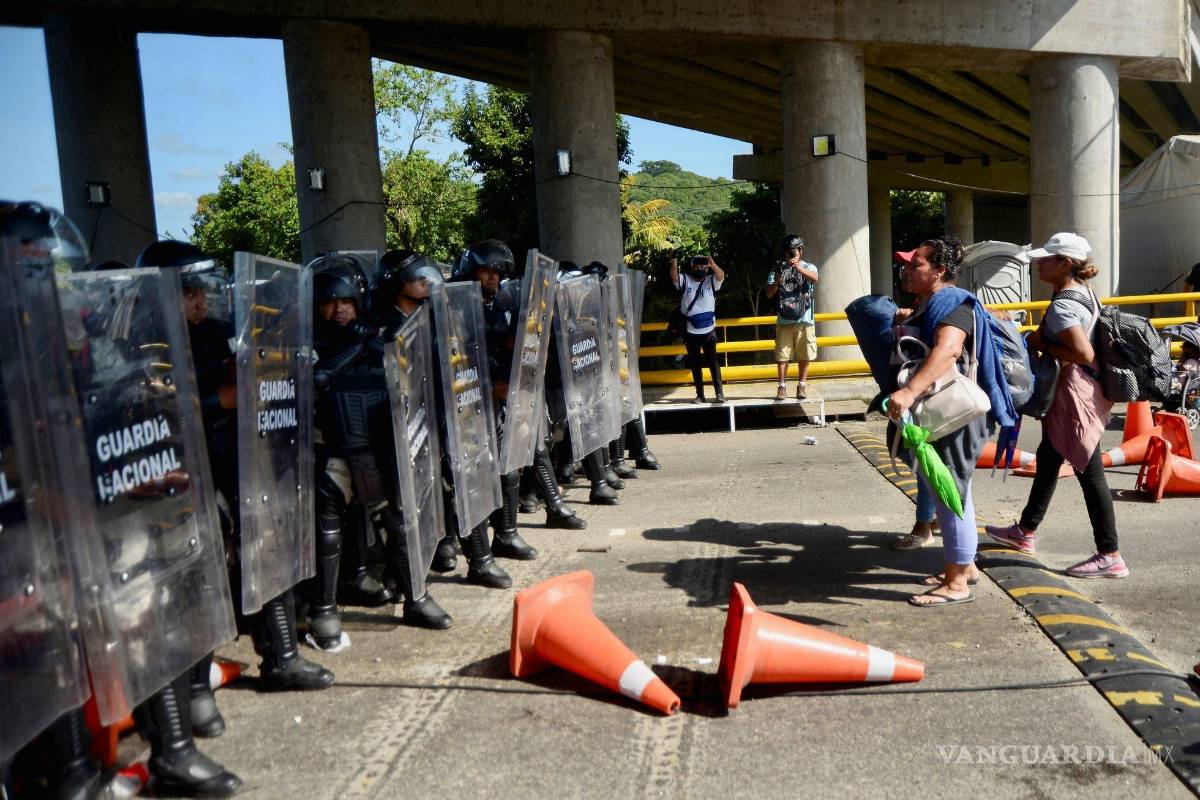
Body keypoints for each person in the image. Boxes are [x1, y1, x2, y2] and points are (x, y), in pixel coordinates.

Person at [137, 241, 336, 690]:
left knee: (264, 541)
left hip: (235, 455)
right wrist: (218, 399)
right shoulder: (143, 343)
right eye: (188, 293)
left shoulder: (216, 331)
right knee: (194, 570)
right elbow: (153, 407)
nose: (200, 301)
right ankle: (191, 685)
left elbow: (255, 368)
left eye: (201, 291)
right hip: (180, 469)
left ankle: (281, 657)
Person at [310, 254, 454, 629]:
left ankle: (415, 596)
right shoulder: (309, 342)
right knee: (327, 526)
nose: (339, 310)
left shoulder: (380, 333)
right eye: (330, 302)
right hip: (331, 449)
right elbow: (316, 379)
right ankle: (324, 610)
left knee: (395, 520)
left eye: (346, 302)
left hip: (375, 446)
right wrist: (356, 345)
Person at [984, 233, 1128, 579]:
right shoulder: (1084, 293)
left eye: (1047, 259)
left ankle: (1110, 554)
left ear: (1066, 264)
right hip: (1084, 390)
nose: (1039, 263)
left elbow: (1082, 353)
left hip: (1074, 393)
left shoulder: (1064, 303)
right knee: (1049, 458)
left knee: (1089, 471)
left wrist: (1039, 342)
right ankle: (1025, 531)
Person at [887, 236, 1018, 606]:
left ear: (940, 270)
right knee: (957, 489)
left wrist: (910, 391)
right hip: (950, 411)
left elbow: (949, 350)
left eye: (917, 265)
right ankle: (966, 567)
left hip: (957, 412)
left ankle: (957, 582)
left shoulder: (950, 302)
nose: (908, 270)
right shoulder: (933, 303)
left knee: (951, 494)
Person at [766, 234, 819, 401]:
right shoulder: (777, 268)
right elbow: (768, 294)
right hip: (784, 320)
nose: (790, 255)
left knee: (805, 354)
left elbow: (815, 278)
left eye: (793, 252)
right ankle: (782, 387)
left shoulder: (809, 266)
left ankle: (801, 386)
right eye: (788, 252)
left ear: (800, 251)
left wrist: (798, 268)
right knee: (782, 355)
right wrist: (777, 281)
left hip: (805, 319)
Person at [670, 252, 726, 403]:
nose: (700, 269)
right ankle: (700, 394)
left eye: (703, 266)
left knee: (713, 361)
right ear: (692, 267)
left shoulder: (711, 281)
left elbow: (721, 276)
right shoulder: (686, 281)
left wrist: (713, 265)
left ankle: (719, 393)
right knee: (695, 363)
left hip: (709, 329)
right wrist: (674, 260)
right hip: (690, 330)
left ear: (707, 268)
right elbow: (675, 277)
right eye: (697, 266)